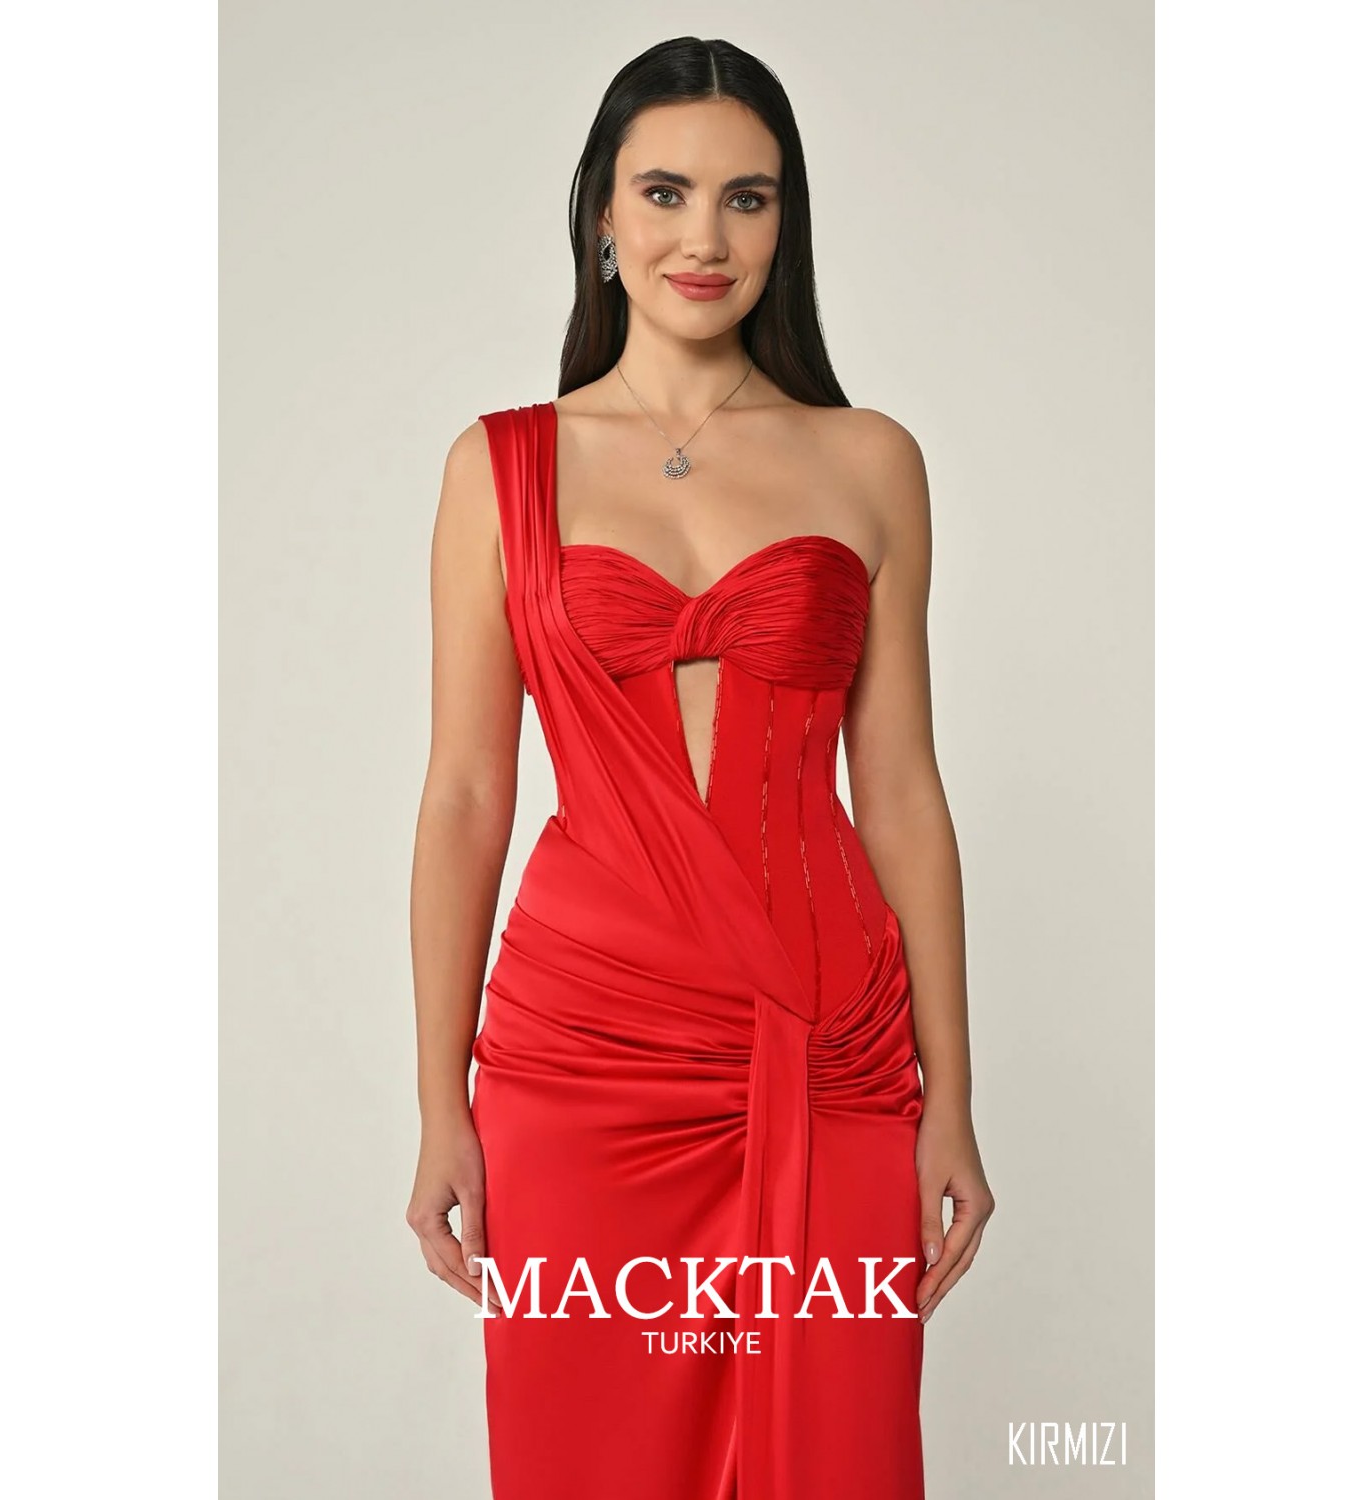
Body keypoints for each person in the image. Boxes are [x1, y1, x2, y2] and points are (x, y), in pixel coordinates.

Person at [407, 35, 994, 1500]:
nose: (705, 237)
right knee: (589, 1460)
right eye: (665, 192)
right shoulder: (500, 467)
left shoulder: (868, 460)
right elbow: (467, 796)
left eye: (749, 197)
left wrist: (954, 1096)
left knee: (844, 1457)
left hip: (830, 1042)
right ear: (602, 214)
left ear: (787, 223)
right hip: (583, 1057)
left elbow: (902, 791)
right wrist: (439, 1102)